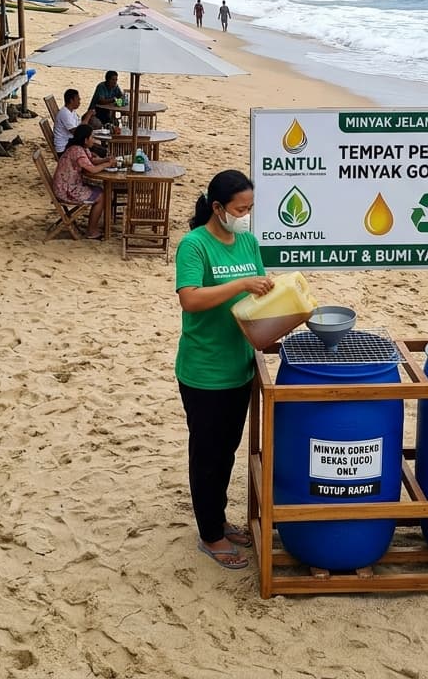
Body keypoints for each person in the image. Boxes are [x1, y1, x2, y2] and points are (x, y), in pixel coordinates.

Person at [174, 170, 274, 569]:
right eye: (240, 209)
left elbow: (259, 296)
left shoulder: (248, 242)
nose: (245, 215)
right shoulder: (194, 244)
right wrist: (241, 284)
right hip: (204, 370)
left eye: (250, 208)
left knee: (227, 450)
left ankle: (218, 520)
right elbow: (190, 299)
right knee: (207, 455)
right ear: (217, 208)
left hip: (240, 366)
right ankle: (210, 535)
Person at [53, 124, 108, 239]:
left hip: (68, 185)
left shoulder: (81, 148)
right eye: (92, 137)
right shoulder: (77, 151)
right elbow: (92, 169)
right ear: (85, 139)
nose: (94, 140)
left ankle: (94, 226)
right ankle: (91, 231)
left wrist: (105, 160)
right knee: (101, 196)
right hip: (66, 190)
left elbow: (91, 160)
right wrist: (107, 164)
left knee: (100, 189)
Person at [52, 88, 94, 155]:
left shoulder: (72, 111)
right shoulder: (65, 113)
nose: (79, 102)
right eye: (78, 100)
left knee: (92, 145)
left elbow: (79, 125)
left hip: (69, 142)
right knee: (93, 147)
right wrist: (88, 116)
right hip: (64, 147)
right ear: (71, 100)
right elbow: (77, 132)